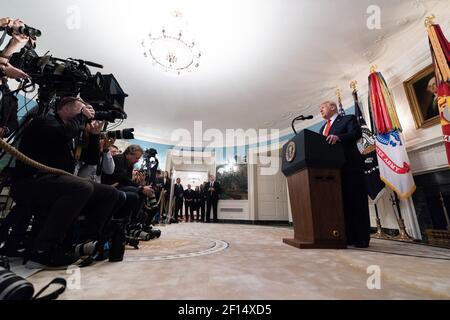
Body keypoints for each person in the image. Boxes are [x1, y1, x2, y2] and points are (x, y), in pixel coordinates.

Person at [11, 97, 121, 267]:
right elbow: (60, 134)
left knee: (109, 193)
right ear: (65, 108)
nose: (86, 113)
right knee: (80, 187)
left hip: (55, 183)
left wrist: (93, 136)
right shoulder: (44, 122)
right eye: (81, 109)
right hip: (30, 182)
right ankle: (41, 251)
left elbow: (91, 159)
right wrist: (81, 118)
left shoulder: (72, 133)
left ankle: (84, 244)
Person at [319, 101, 370, 248]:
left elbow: (356, 134)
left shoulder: (348, 119)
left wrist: (338, 137)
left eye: (323, 107)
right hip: (332, 171)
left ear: (333, 107)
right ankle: (347, 236)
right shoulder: (323, 128)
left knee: (356, 202)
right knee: (341, 203)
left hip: (350, 166)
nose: (321, 110)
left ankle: (361, 238)